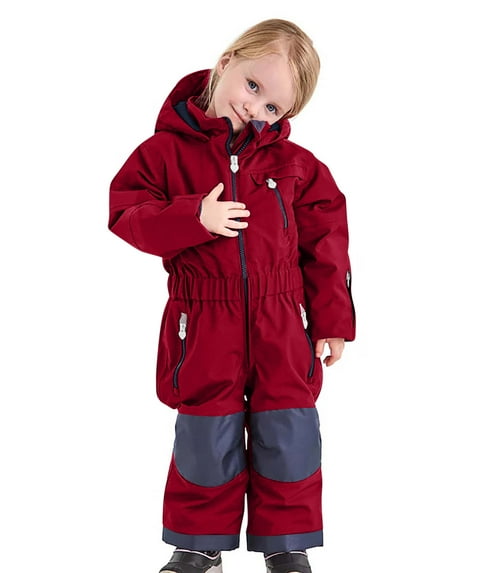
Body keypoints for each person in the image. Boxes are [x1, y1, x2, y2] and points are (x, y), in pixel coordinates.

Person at [108, 18, 356, 573]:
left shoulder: (296, 167)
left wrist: (332, 320)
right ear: (226, 63)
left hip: (282, 319)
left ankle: (287, 545)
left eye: (273, 108)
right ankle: (199, 545)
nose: (255, 108)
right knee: (206, 433)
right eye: (252, 86)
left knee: (288, 432)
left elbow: (326, 242)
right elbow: (126, 213)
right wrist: (193, 217)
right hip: (203, 320)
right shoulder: (163, 154)